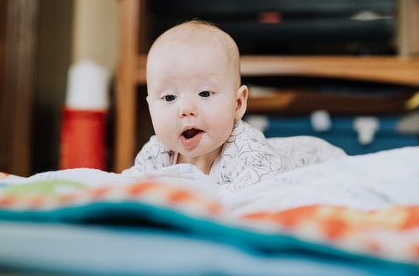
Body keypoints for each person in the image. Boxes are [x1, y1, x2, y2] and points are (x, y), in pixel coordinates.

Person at [122, 20, 346, 193]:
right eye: (170, 97)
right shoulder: (157, 152)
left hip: (321, 160)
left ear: (238, 103)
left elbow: (250, 198)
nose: (186, 109)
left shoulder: (248, 152)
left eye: (205, 93)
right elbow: (128, 187)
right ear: (151, 108)